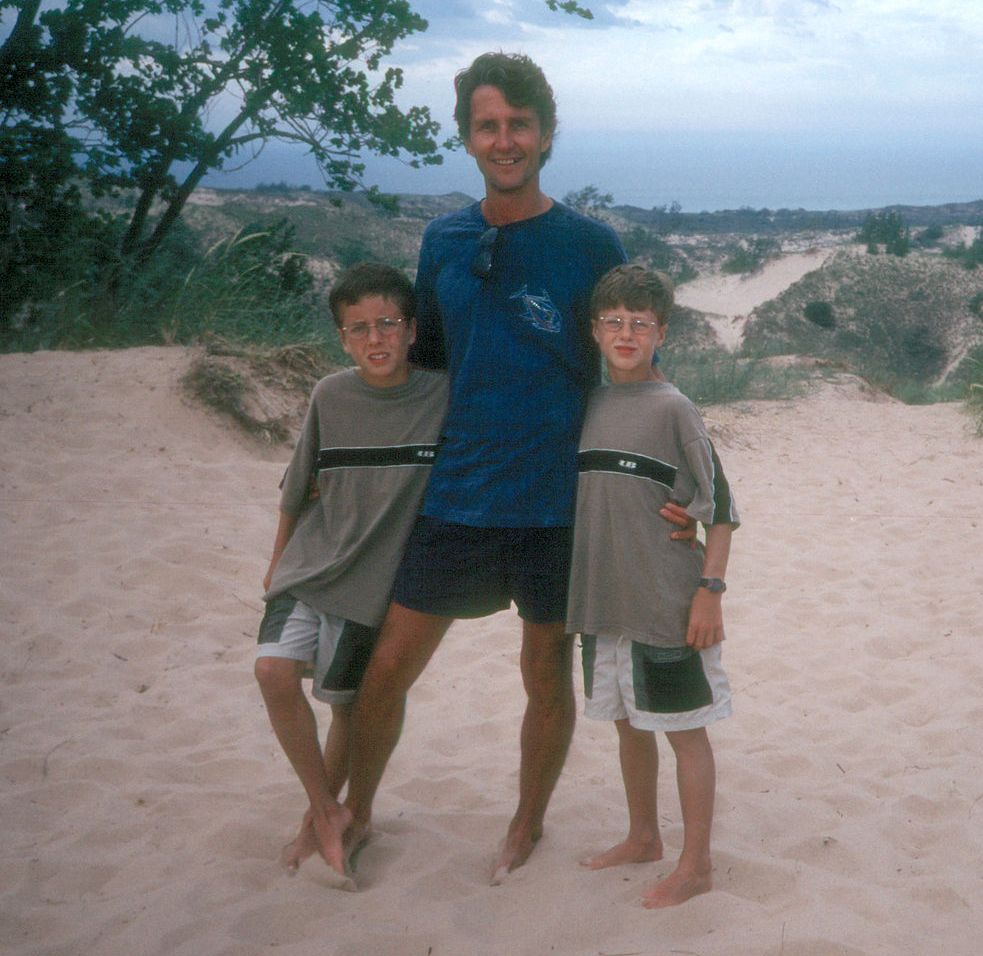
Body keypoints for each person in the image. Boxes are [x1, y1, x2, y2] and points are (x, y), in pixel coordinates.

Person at [341, 51, 692, 882]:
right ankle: (354, 812)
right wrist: (345, 453)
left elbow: (634, 369)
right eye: (488, 125)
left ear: (546, 134)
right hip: (458, 492)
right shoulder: (443, 240)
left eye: (520, 125)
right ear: (467, 137)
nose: (505, 140)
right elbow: (424, 366)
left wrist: (676, 487)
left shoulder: (589, 244)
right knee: (387, 667)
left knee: (544, 673)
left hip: (556, 502)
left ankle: (526, 823)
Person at [255, 262, 448, 878]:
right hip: (309, 566)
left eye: (387, 324)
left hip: (372, 585)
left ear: (411, 329)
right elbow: (297, 487)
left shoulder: (442, 397)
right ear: (342, 339)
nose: (375, 339)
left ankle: (328, 820)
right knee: (272, 672)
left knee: (346, 706)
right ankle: (322, 811)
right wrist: (276, 560)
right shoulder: (330, 396)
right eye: (358, 329)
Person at [568, 264, 740, 908]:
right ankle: (643, 837)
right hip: (603, 599)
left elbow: (721, 509)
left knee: (684, 730)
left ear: (661, 333)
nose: (626, 334)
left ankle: (696, 866)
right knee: (627, 723)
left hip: (667, 599)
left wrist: (710, 591)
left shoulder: (674, 408)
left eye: (640, 323)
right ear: (594, 330)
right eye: (613, 322)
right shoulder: (587, 403)